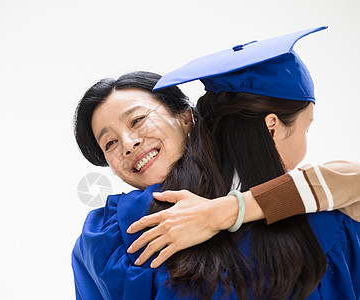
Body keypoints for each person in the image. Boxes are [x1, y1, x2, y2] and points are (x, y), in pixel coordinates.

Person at [72, 27, 360, 299]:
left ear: (187, 118)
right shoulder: (118, 234)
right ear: (271, 127)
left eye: (137, 120)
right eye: (109, 143)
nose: (128, 144)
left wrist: (221, 212)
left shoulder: (108, 237)